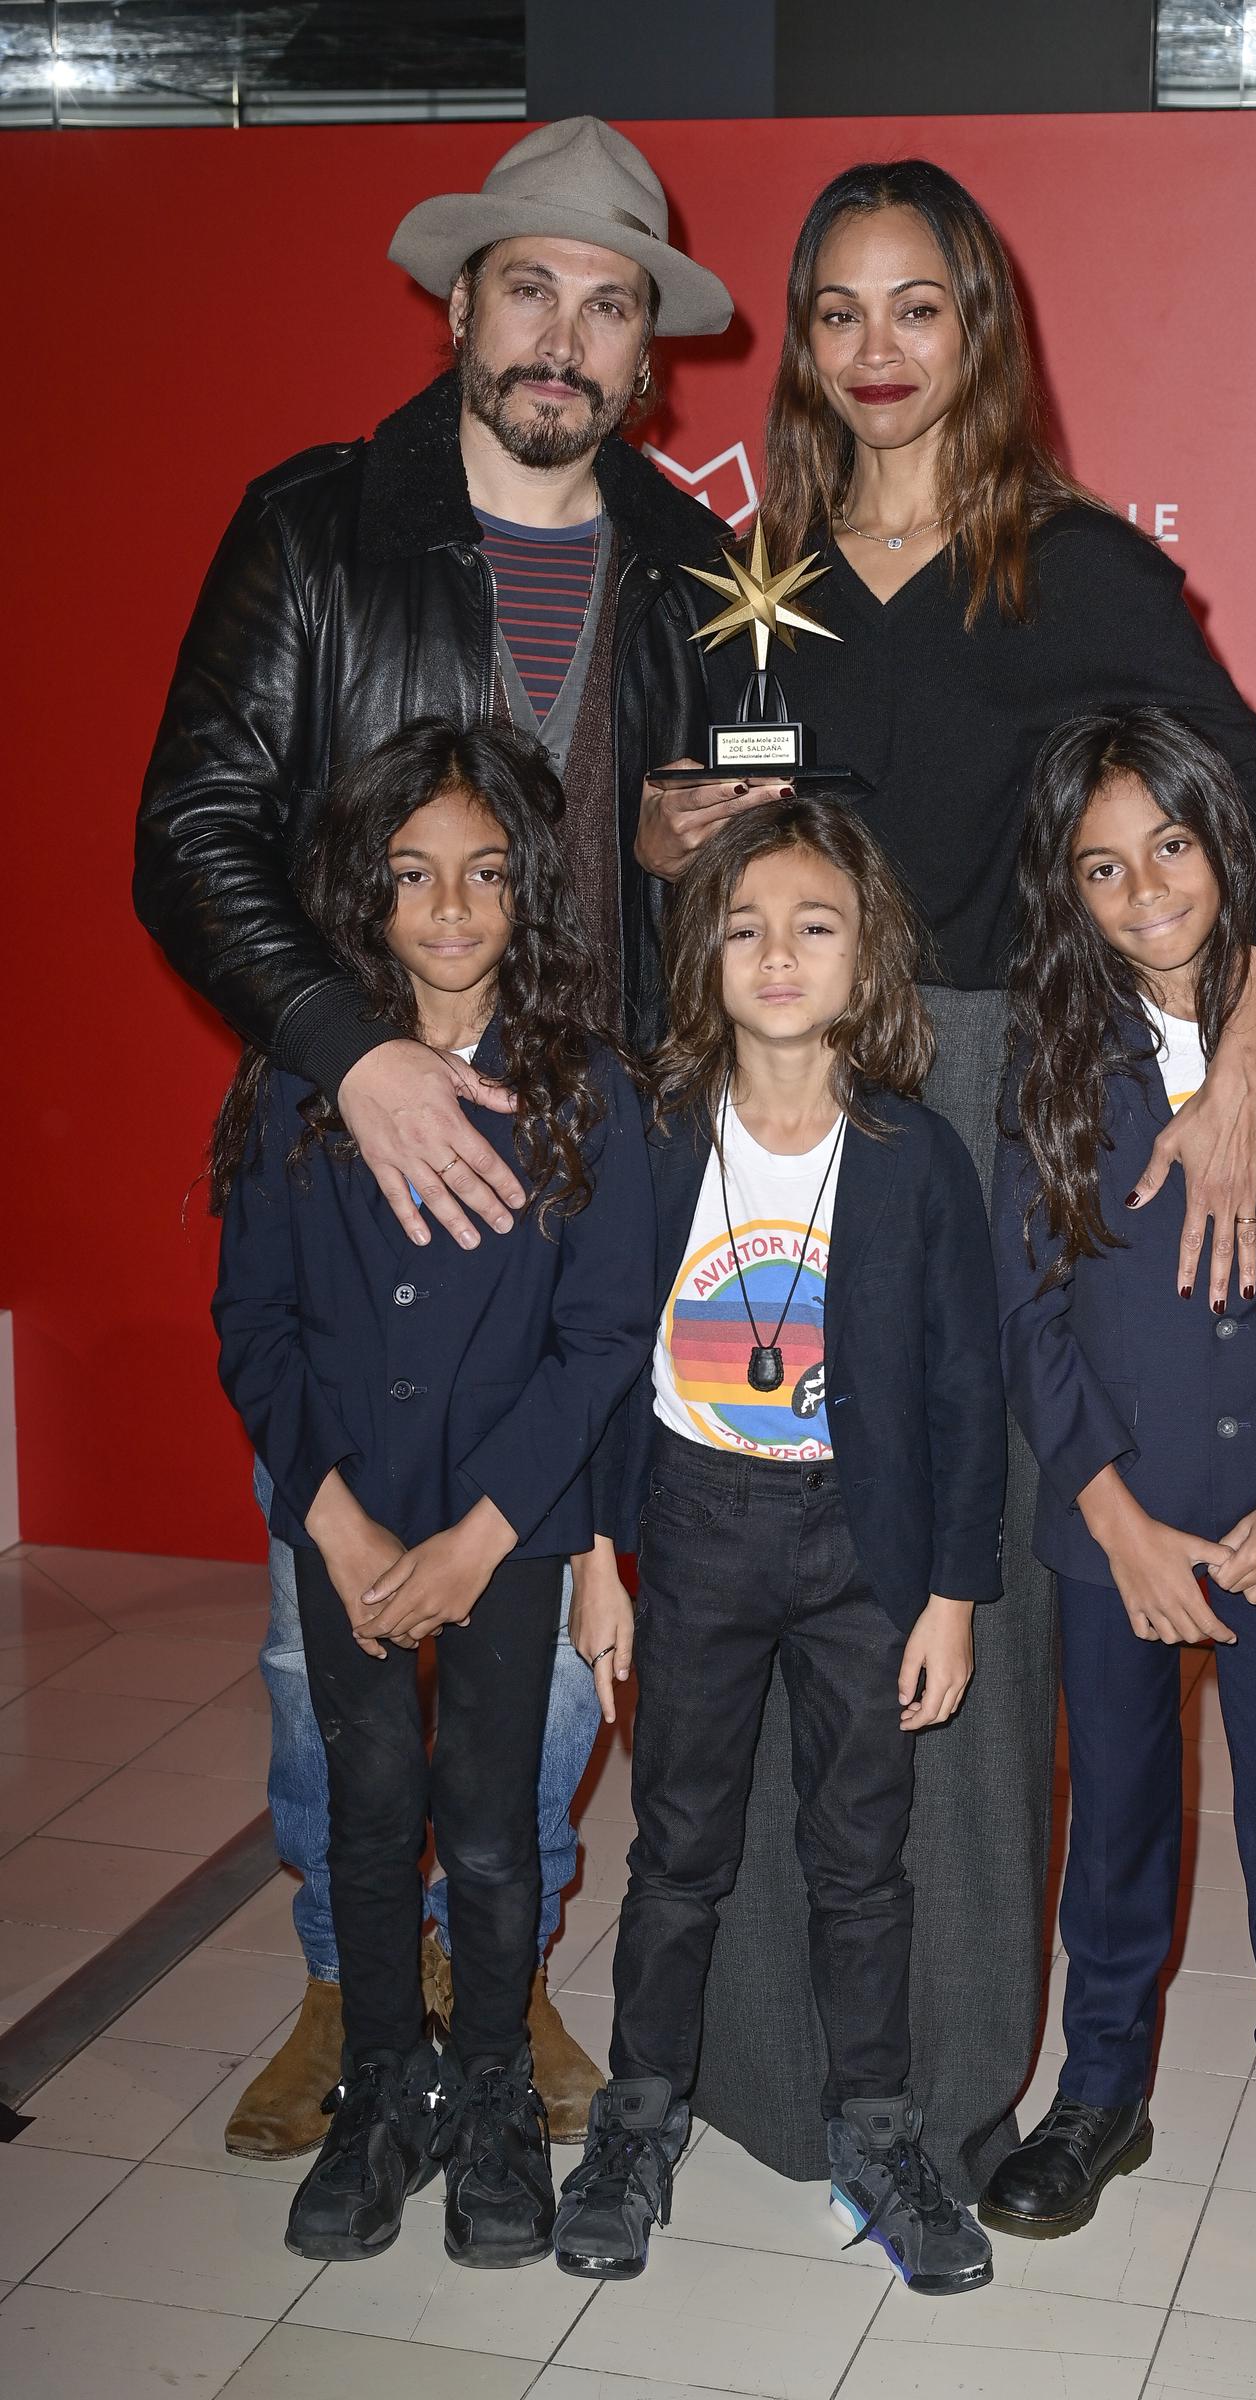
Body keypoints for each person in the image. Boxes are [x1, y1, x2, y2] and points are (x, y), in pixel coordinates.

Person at [640, 157, 1256, 2194]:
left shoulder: (1075, 571)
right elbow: (690, 851)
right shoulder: (737, 576)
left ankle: (937, 2082)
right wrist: (677, 841)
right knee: (751, 1573)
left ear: (978, 328)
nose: (872, 352)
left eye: (913, 309)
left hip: (983, 1094)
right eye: (835, 312)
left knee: (968, 1597)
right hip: (773, 1100)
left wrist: (1233, 1072)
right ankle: (757, 2069)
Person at [134, 115, 739, 2154]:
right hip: (350, 1156)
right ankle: (341, 1977)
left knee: (552, 1584)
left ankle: (502, 1971)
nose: (562, 333)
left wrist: (676, 876)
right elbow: (191, 833)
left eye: (606, 300)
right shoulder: (317, 528)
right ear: (456, 301)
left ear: (646, 347)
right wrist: (342, 1052)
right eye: (528, 285)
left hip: (581, 1178)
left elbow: (729, 895)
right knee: (335, 1624)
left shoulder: (687, 566)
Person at [980, 708, 1256, 2272]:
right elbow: (1027, 1308)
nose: (1144, 887)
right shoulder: (1047, 1057)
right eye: (1103, 866)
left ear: (1228, 847)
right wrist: (1106, 1509)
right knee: (1110, 1823)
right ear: (1071, 890)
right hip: (1120, 1536)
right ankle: (1099, 2090)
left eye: (1168, 846)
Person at [210, 720, 654, 2267]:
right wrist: (330, 1522)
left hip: (503, 1530)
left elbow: (604, 1341)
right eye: (412, 876)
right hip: (349, 1528)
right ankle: (380, 2091)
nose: (450, 909)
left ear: (528, 892)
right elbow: (252, 1326)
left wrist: (482, 1540)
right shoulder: (296, 1082)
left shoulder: (590, 1090)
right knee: (363, 1807)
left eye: (481, 875)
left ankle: (488, 2097)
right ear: (363, 895)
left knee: (485, 1819)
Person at [552, 799, 1006, 2292]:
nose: (778, 953)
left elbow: (961, 1387)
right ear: (707, 959)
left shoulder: (914, 1159)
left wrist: (951, 1587)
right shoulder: (662, 1132)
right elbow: (608, 1355)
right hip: (692, 1524)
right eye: (744, 927)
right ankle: (637, 2120)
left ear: (865, 955)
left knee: (860, 1859)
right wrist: (596, 1557)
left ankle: (877, 2132)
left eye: (814, 925)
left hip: (862, 1550)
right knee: (677, 1849)